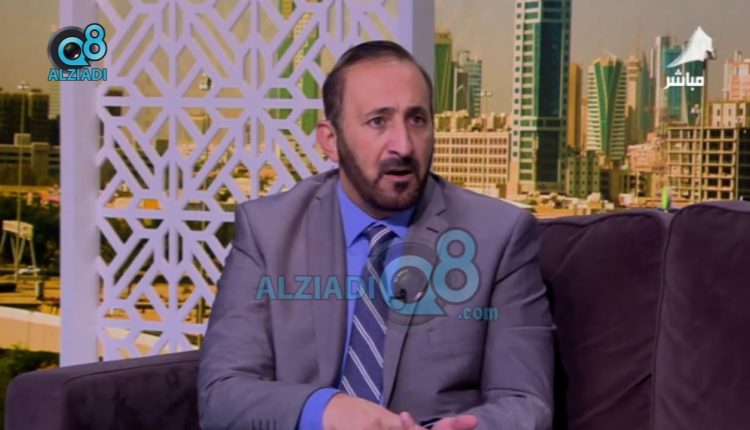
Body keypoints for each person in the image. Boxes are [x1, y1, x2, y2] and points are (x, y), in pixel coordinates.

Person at [198, 40, 554, 430]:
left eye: (416, 119)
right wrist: (326, 410)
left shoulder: (498, 236)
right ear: (330, 140)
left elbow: (526, 402)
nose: (403, 145)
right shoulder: (268, 231)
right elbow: (222, 396)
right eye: (378, 121)